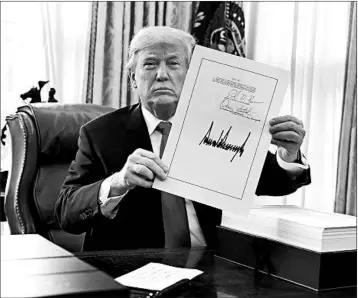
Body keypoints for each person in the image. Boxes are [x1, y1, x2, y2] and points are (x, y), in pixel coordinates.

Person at [55, 26, 311, 251]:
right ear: (133, 78)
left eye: (174, 64)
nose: (162, 74)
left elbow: (274, 181)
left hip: (210, 266)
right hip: (132, 269)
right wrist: (119, 181)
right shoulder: (99, 134)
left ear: (191, 77)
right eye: (150, 64)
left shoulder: (218, 127)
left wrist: (289, 155)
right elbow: (66, 212)